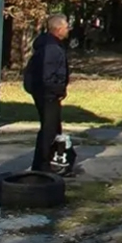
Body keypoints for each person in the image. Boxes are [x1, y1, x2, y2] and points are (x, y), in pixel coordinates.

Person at [23, 13, 70, 173]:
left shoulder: (49, 44)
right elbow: (47, 74)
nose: (68, 29)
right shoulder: (52, 48)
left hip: (46, 92)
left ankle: (53, 159)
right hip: (47, 94)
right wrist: (58, 90)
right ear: (58, 29)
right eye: (66, 27)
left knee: (54, 128)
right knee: (49, 130)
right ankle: (42, 164)